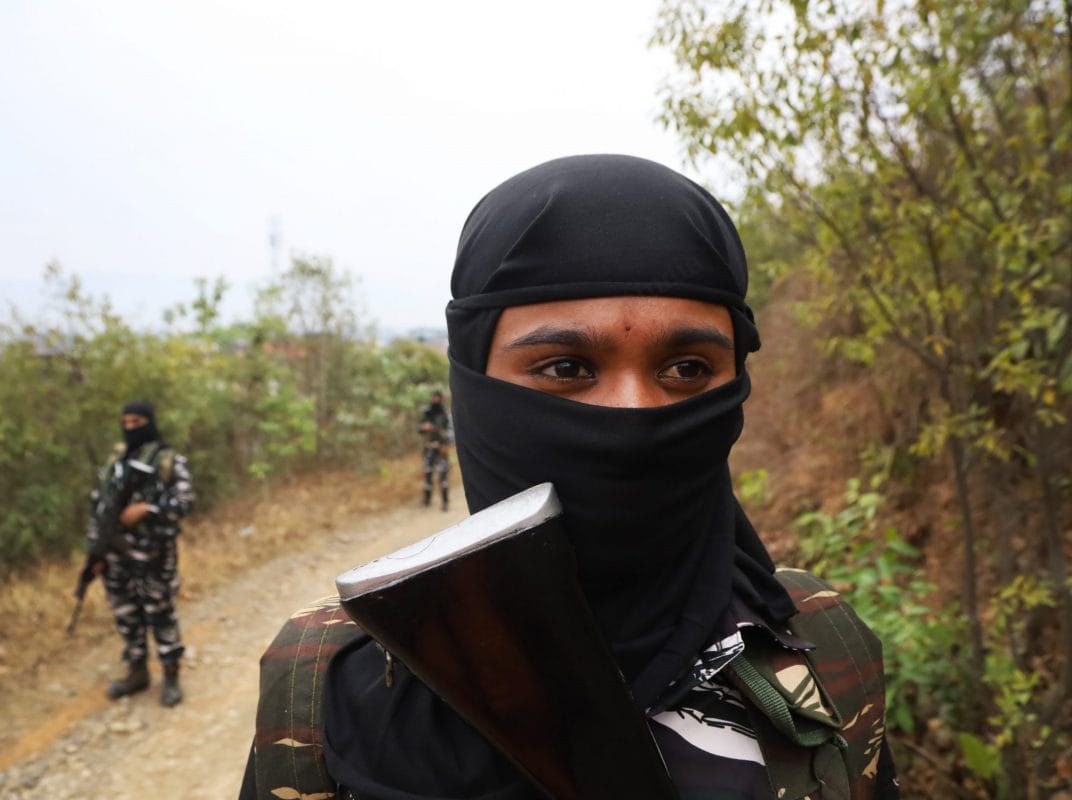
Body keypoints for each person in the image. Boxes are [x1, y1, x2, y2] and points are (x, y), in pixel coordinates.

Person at [239, 155, 899, 799]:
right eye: (566, 368)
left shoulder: (823, 648)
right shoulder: (325, 677)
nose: (634, 414)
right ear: (474, 387)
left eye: (688, 369)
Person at [86, 400, 194, 707]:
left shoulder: (169, 460)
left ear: (149, 422)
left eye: (136, 422)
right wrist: (95, 553)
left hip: (153, 554)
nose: (130, 427)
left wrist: (147, 509)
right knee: (126, 615)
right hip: (115, 557)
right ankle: (137, 673)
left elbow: (185, 503)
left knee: (160, 613)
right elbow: (98, 507)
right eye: (126, 422)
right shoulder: (115, 461)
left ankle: (170, 674)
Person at [417, 390, 452, 510]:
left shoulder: (444, 414)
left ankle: (445, 502)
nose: (436, 399)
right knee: (427, 475)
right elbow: (419, 429)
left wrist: (445, 445)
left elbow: (449, 432)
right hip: (429, 448)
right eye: (434, 397)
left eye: (438, 397)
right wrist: (424, 427)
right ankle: (427, 500)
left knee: (443, 477)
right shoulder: (427, 413)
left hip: (441, 448)